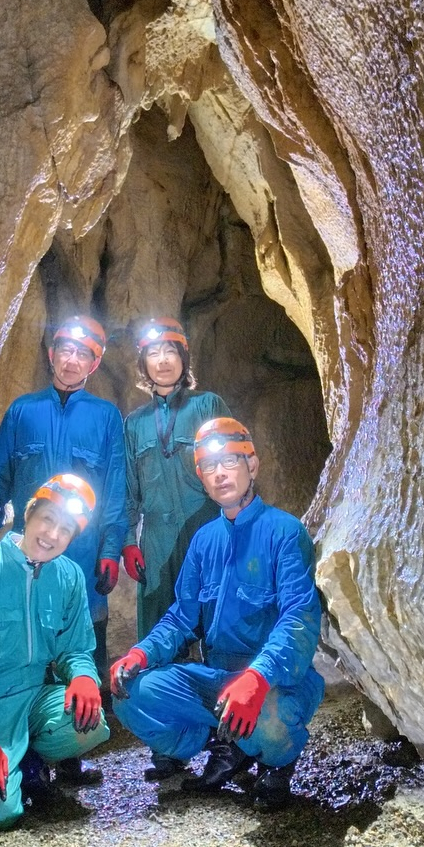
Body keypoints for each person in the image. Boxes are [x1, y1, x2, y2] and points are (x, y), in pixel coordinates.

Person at [109, 415, 325, 811]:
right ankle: (224, 740)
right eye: (209, 466)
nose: (220, 474)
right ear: (201, 478)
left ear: (252, 466)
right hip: (219, 678)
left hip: (275, 681)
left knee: (271, 723)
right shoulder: (204, 540)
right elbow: (181, 616)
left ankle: (276, 760)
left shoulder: (285, 532)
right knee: (131, 694)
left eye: (230, 462)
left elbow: (299, 617)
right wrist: (142, 654)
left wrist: (258, 677)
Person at [0, 316, 129, 750]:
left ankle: (71, 749)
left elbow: (115, 488)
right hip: (26, 555)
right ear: (52, 354)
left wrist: (111, 548)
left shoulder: (105, 417)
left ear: (94, 364)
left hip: (84, 554)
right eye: (66, 351)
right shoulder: (23, 411)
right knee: (25, 647)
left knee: (81, 643)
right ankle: (27, 751)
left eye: (84, 354)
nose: (72, 360)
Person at [0, 473, 111, 829]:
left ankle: (28, 760)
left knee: (89, 724)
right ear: (29, 515)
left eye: (65, 530)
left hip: (35, 697)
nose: (52, 535)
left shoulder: (68, 577)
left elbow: (76, 646)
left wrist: (83, 674)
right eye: (47, 520)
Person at [121, 317, 228, 781]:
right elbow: (127, 489)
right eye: (153, 353)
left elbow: (229, 470)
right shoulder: (135, 423)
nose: (162, 360)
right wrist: (127, 540)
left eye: (171, 351)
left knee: (216, 633)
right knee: (158, 638)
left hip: (204, 532)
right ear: (143, 363)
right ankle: (170, 745)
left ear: (184, 359)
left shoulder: (207, 405)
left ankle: (230, 740)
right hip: (159, 541)